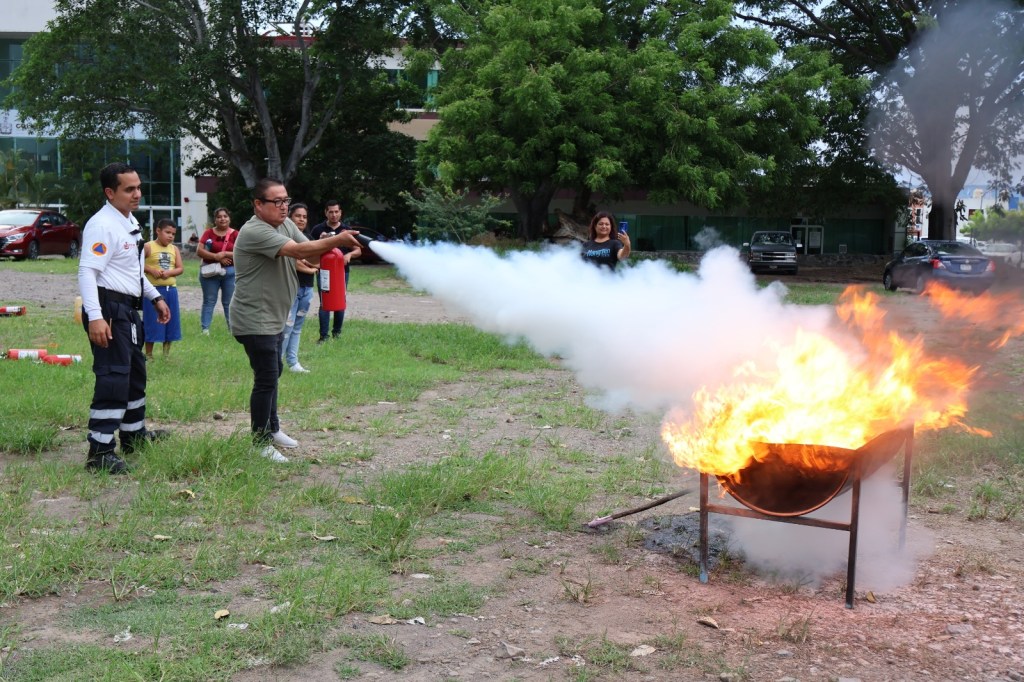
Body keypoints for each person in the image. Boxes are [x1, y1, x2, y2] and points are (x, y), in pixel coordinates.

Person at [231, 179, 361, 462]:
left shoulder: (285, 224)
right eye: (276, 201)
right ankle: (260, 441)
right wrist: (337, 240)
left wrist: (332, 249)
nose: (283, 206)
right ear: (258, 204)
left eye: (286, 200)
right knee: (266, 377)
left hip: (275, 316)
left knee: (274, 371)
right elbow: (299, 252)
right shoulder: (255, 230)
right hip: (255, 318)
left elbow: (310, 252)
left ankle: (273, 428)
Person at [78, 162, 171, 474]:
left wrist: (155, 297)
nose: (137, 194)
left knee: (134, 374)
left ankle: (133, 435)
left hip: (128, 310)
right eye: (129, 189)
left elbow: (132, 271)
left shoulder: (128, 221)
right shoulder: (102, 225)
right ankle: (100, 451)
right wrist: (95, 317)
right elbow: (88, 272)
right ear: (110, 192)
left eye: (138, 187)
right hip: (108, 310)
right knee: (114, 377)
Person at [310, 199, 360, 343]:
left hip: (342, 272)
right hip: (324, 271)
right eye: (330, 212)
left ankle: (337, 334)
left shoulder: (346, 230)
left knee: (340, 301)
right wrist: (320, 241)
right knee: (324, 302)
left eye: (336, 212)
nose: (334, 215)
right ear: (326, 213)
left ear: (340, 212)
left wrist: (348, 255)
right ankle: (323, 337)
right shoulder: (318, 230)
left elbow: (358, 250)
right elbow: (309, 249)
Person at [281, 202, 318, 373]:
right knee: (286, 326)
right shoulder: (285, 239)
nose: (301, 219)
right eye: (298, 216)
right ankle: (278, 362)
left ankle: (293, 362)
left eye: (304, 217)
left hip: (307, 289)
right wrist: (310, 267)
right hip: (290, 288)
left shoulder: (309, 239)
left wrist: (309, 264)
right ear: (290, 217)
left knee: (297, 327)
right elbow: (294, 262)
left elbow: (316, 259)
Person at [142, 219, 184, 360]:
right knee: (152, 322)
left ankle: (166, 354)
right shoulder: (148, 246)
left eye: (173, 234)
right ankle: (149, 354)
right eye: (167, 232)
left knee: (170, 322)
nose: (170, 236)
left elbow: (180, 268)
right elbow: (136, 263)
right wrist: (151, 270)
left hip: (170, 290)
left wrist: (169, 273)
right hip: (153, 291)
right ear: (158, 231)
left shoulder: (174, 249)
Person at [197, 207, 237, 335]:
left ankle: (232, 330)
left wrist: (224, 254)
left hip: (230, 273)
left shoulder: (236, 234)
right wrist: (216, 257)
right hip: (210, 273)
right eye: (219, 217)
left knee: (229, 302)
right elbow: (199, 251)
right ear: (215, 220)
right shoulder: (208, 233)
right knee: (209, 301)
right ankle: (205, 330)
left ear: (229, 218)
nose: (222, 219)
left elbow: (241, 252)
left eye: (225, 216)